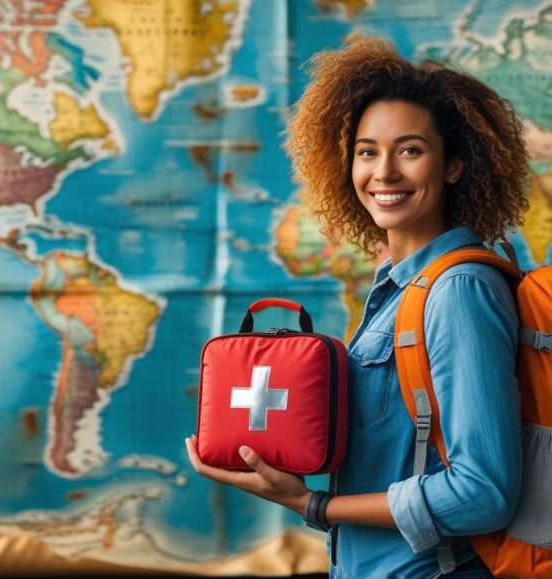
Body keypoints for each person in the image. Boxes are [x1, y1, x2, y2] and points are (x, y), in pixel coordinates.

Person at [186, 35, 531, 578]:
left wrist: (310, 505)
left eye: (411, 150)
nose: (384, 172)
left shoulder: (459, 290)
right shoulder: (398, 287)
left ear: (456, 165)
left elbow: (481, 492)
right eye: (367, 151)